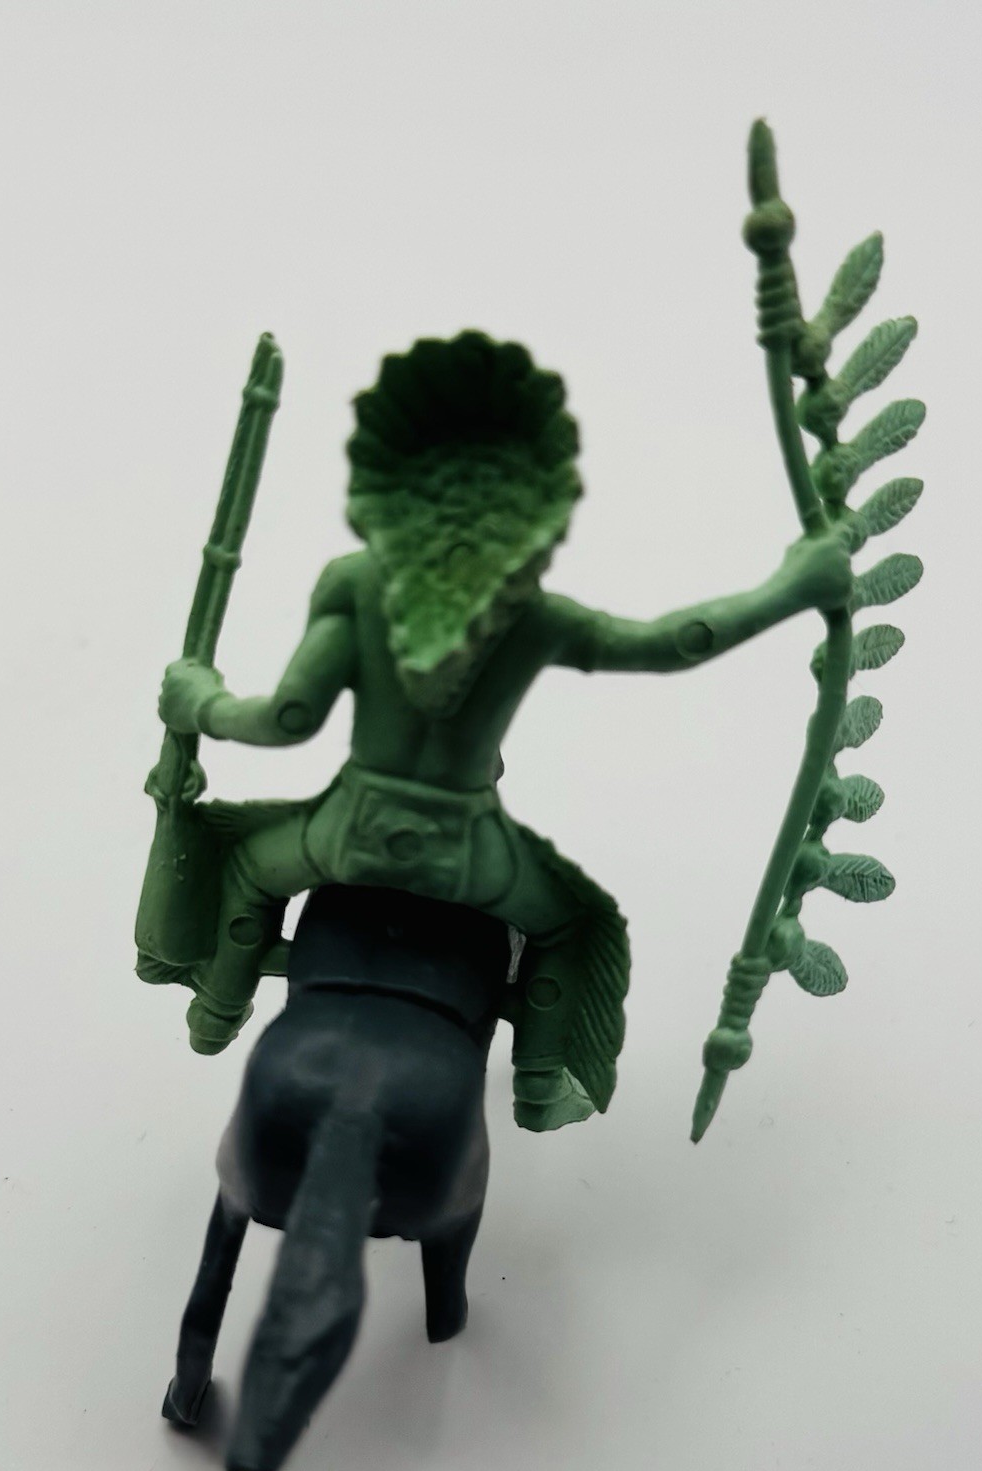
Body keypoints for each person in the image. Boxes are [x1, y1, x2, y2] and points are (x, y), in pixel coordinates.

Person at [156, 330, 851, 1130]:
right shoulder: (535, 617)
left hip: (342, 839)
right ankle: (538, 1081)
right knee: (570, 924)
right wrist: (791, 586)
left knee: (246, 865)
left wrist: (199, 702)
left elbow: (287, 718)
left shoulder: (356, 583)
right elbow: (666, 643)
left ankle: (217, 1008)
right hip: (475, 861)